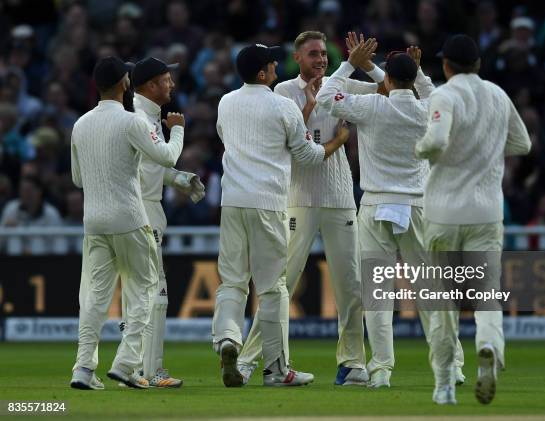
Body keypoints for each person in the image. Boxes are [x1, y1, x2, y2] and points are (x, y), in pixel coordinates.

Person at [316, 36, 464, 388]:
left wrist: (351, 62)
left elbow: (325, 95)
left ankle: (381, 369)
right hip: (417, 207)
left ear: (386, 82)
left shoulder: (372, 105)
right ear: (412, 80)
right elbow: (431, 94)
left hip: (377, 205)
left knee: (377, 294)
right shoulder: (426, 108)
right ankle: (451, 367)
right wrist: (419, 71)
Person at [237, 31, 382, 387]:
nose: (320, 59)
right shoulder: (283, 91)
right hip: (297, 197)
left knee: (350, 285)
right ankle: (248, 360)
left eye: (324, 53)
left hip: (340, 196)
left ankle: (351, 363)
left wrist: (368, 67)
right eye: (313, 54)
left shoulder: (342, 85)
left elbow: (387, 92)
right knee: (280, 284)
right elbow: (289, 143)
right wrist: (311, 106)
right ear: (298, 59)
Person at [213, 44, 350, 387]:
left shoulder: (226, 102)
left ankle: (228, 339)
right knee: (273, 287)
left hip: (232, 202)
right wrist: (339, 141)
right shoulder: (283, 105)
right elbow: (307, 155)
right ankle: (276, 370)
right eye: (272, 62)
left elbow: (226, 137)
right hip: (268, 203)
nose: (277, 65)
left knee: (232, 280)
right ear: (262, 73)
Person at [415, 34, 531, 405]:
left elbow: (435, 141)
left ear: (446, 65)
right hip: (486, 211)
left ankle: (445, 384)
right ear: (478, 64)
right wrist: (488, 152)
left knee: (443, 303)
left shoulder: (444, 95)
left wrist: (418, 150)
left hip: (444, 212)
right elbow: (523, 144)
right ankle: (488, 348)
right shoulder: (497, 95)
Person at [69, 56, 185, 390]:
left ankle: (83, 369)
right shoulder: (132, 122)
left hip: (94, 221)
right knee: (146, 287)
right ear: (125, 83)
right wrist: (176, 130)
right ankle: (126, 362)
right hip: (131, 218)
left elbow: (78, 179)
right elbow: (167, 157)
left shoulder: (80, 124)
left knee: (94, 298)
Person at [119, 57, 205, 388]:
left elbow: (148, 168)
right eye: (166, 79)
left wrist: (181, 181)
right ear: (151, 85)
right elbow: (165, 157)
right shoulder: (143, 119)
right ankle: (149, 371)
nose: (171, 84)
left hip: (138, 210)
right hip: (143, 213)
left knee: (137, 295)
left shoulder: (142, 117)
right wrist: (179, 128)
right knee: (157, 294)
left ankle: (131, 369)